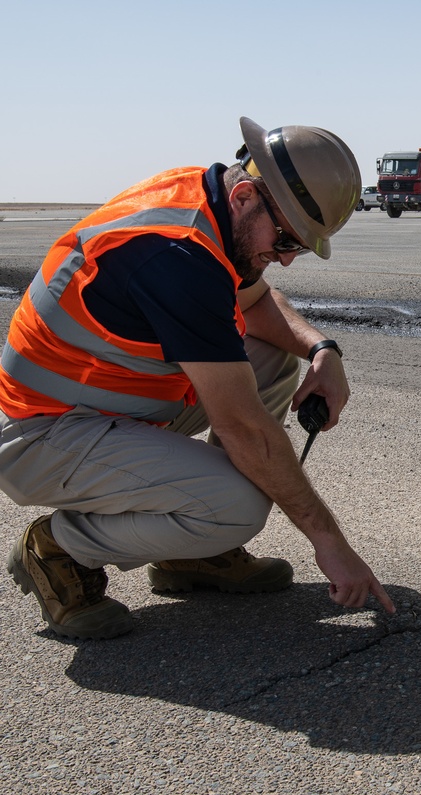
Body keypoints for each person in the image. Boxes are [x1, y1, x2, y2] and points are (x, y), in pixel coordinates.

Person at [3, 117, 396, 641]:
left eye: (297, 247)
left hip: (110, 403)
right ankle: (58, 547)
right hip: (45, 435)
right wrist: (330, 542)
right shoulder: (176, 255)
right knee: (239, 504)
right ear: (246, 195)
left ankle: (193, 555)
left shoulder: (209, 205)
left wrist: (322, 350)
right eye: (284, 239)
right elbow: (246, 430)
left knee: (273, 357)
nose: (284, 259)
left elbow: (254, 305)